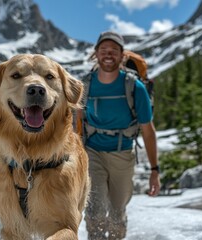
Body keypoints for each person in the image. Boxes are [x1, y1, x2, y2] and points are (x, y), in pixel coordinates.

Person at [78, 31, 160, 239]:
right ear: (95, 54)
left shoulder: (135, 88)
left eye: (114, 51)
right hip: (92, 154)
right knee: (94, 211)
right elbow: (74, 124)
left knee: (117, 212)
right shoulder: (85, 86)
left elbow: (148, 132)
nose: (108, 54)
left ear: (122, 56)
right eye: (103, 50)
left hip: (123, 155)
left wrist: (154, 170)